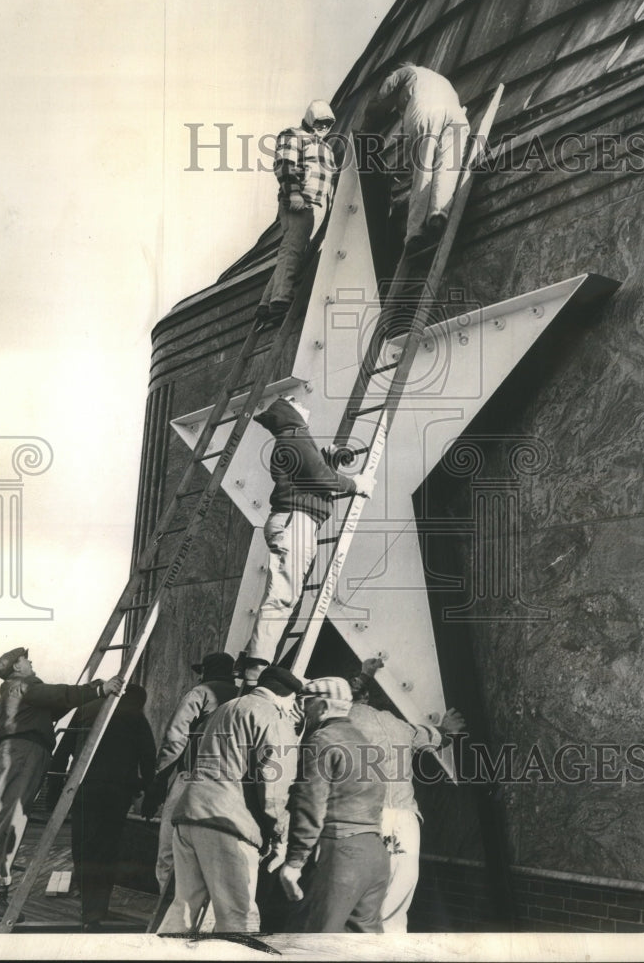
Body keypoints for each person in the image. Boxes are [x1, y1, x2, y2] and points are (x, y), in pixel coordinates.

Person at [0, 646, 123, 920]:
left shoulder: (16, 693)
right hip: (25, 754)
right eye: (25, 659)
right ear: (17, 668)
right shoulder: (24, 684)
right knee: (11, 823)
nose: (30, 661)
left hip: (11, 755)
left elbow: (57, 704)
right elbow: (59, 695)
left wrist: (90, 690)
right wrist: (99, 691)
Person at [238, 395, 375, 686]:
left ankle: (256, 662)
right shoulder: (295, 436)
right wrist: (356, 485)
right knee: (283, 597)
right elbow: (320, 478)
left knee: (287, 597)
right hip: (295, 521)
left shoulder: (293, 439)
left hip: (295, 521)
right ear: (288, 410)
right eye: (294, 400)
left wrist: (329, 458)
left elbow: (309, 475)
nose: (303, 402)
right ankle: (256, 670)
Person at [156, 664, 302, 935]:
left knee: (184, 909)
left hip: (190, 815)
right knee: (239, 916)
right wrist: (279, 834)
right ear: (286, 697)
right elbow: (274, 788)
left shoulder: (227, 708)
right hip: (228, 825)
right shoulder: (273, 718)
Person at [348, 657, 466, 932]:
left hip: (367, 820)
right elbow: (440, 737)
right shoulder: (401, 726)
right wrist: (448, 729)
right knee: (395, 911)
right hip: (405, 823)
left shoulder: (342, 720)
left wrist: (364, 675)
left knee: (358, 906)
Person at [278, 676, 389, 933]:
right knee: (362, 946)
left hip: (342, 855)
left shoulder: (321, 740)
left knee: (313, 941)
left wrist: (295, 862)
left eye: (307, 703)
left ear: (323, 707)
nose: (303, 711)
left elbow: (310, 805)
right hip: (375, 854)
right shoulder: (366, 744)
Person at [49, 683, 156, 930]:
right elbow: (148, 757)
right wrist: (149, 794)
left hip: (83, 790)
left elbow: (63, 750)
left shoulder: (86, 709)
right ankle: (97, 910)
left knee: (83, 848)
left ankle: (89, 910)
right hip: (116, 794)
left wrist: (54, 794)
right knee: (107, 852)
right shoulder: (135, 715)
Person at [142, 650, 238, 890]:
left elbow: (175, 739)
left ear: (205, 672)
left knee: (169, 851)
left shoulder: (200, 693)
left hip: (192, 778)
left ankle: (167, 911)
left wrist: (158, 782)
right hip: (229, 785)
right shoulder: (242, 696)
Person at [366, 61, 470, 252]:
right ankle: (438, 213)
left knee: (423, 169)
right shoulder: (439, 79)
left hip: (425, 112)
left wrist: (367, 126)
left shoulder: (402, 72)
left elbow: (380, 100)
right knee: (448, 165)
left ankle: (415, 233)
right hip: (457, 116)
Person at [255, 99, 338, 329]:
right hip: (299, 202)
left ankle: (266, 303)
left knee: (293, 248)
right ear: (311, 119)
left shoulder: (326, 148)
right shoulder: (293, 135)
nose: (323, 128)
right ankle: (280, 300)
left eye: (328, 124)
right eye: (320, 122)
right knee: (293, 247)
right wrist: (294, 194)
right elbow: (284, 165)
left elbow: (330, 180)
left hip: (318, 207)